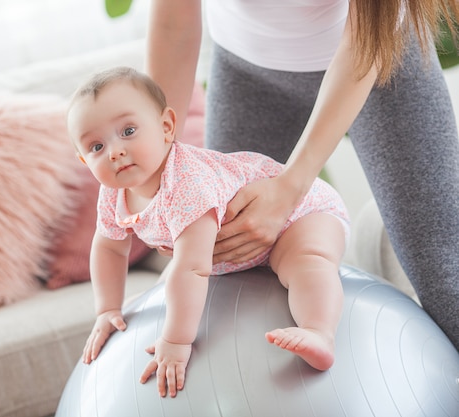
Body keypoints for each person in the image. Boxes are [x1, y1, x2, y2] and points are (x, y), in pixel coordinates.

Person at [146, 0, 459, 353]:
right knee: (225, 262)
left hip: (379, 53)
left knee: (446, 277)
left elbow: (364, 44)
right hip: (246, 69)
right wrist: (159, 173)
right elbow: (174, 24)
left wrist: (288, 189)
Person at [66, 67, 350, 397]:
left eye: (128, 130)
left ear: (166, 127)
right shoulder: (114, 193)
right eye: (97, 147)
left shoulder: (187, 183)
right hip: (231, 250)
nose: (114, 151)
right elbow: (110, 248)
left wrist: (176, 341)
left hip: (299, 215)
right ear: (85, 162)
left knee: (305, 261)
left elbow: (193, 268)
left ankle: (319, 331)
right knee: (166, 287)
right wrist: (107, 308)